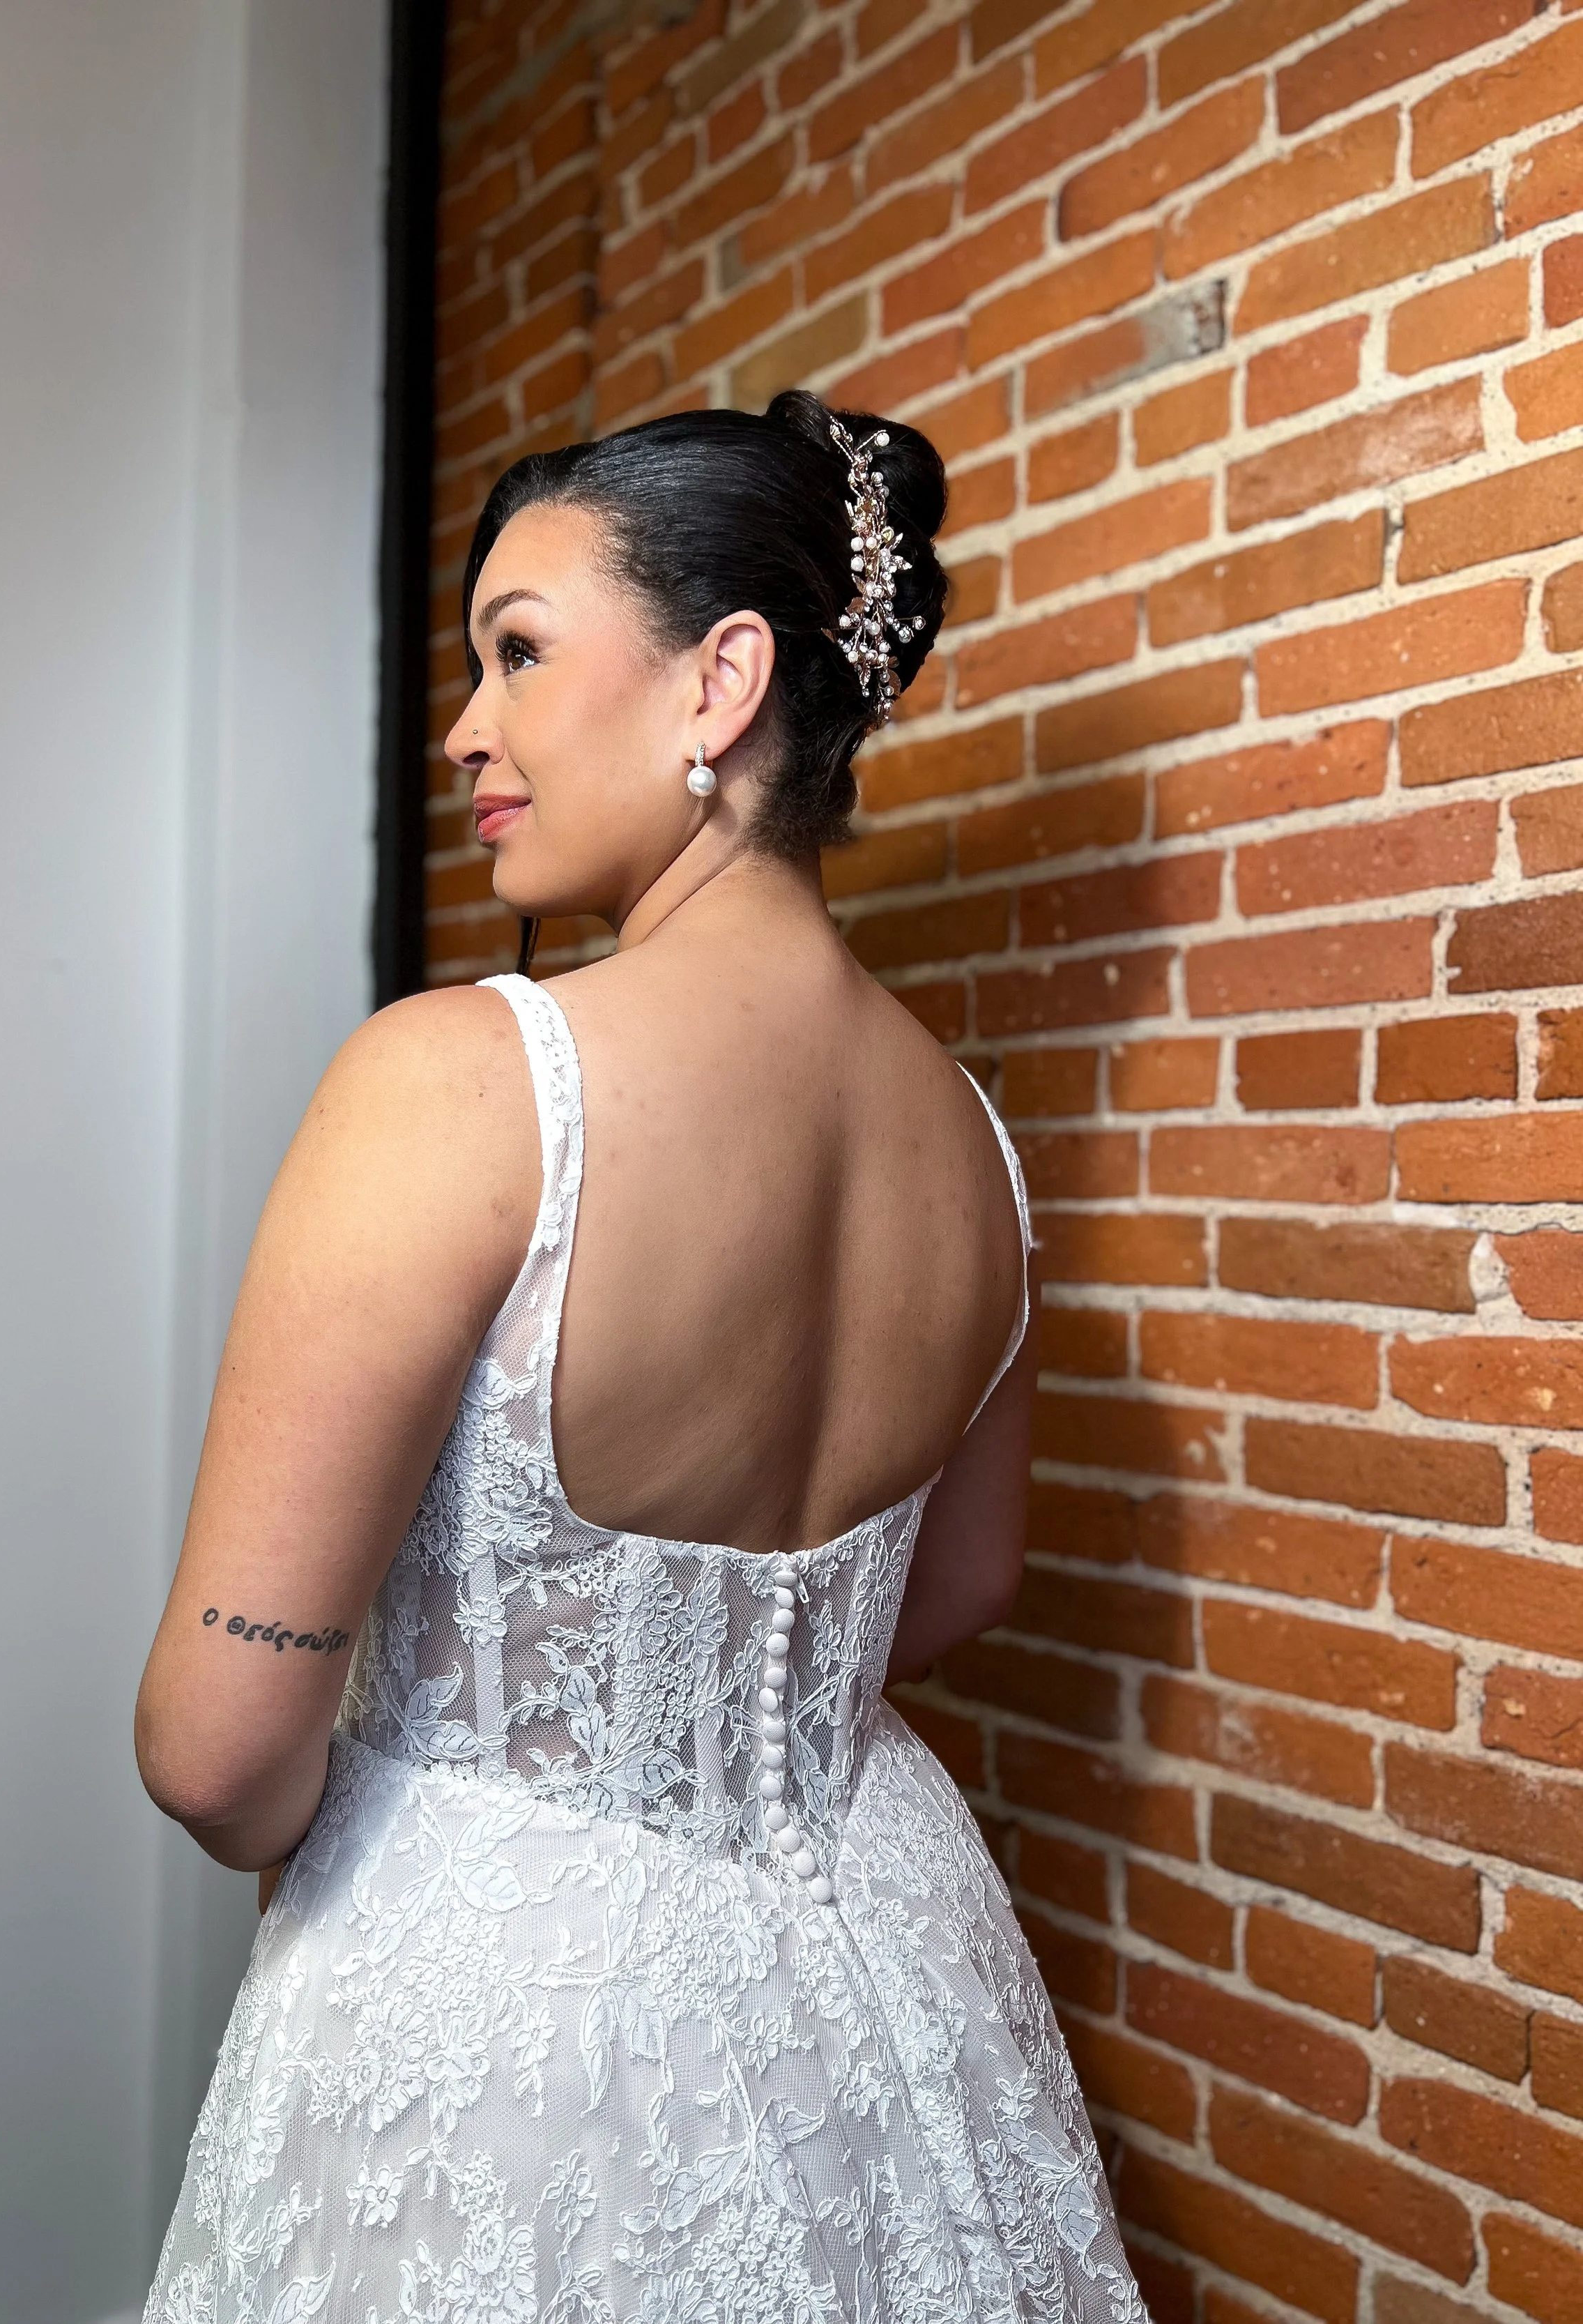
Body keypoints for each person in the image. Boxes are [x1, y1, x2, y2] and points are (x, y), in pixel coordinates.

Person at [135, 390, 1147, 2324]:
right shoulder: (978, 1151)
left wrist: (436, 1803)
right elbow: (966, 1580)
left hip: (507, 2022)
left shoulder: (462, 1076)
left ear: (721, 680)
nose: (467, 729)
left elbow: (216, 1744)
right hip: (876, 1986)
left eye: (517, 649)